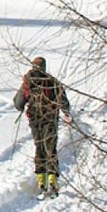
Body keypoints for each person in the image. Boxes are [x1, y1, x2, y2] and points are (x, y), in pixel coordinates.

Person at [13, 56, 71, 197]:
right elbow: (63, 100)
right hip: (50, 118)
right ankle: (52, 179)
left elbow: (18, 102)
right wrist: (66, 113)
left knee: (39, 146)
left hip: (35, 118)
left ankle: (41, 180)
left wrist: (22, 107)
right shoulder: (52, 81)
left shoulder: (28, 82)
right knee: (50, 147)